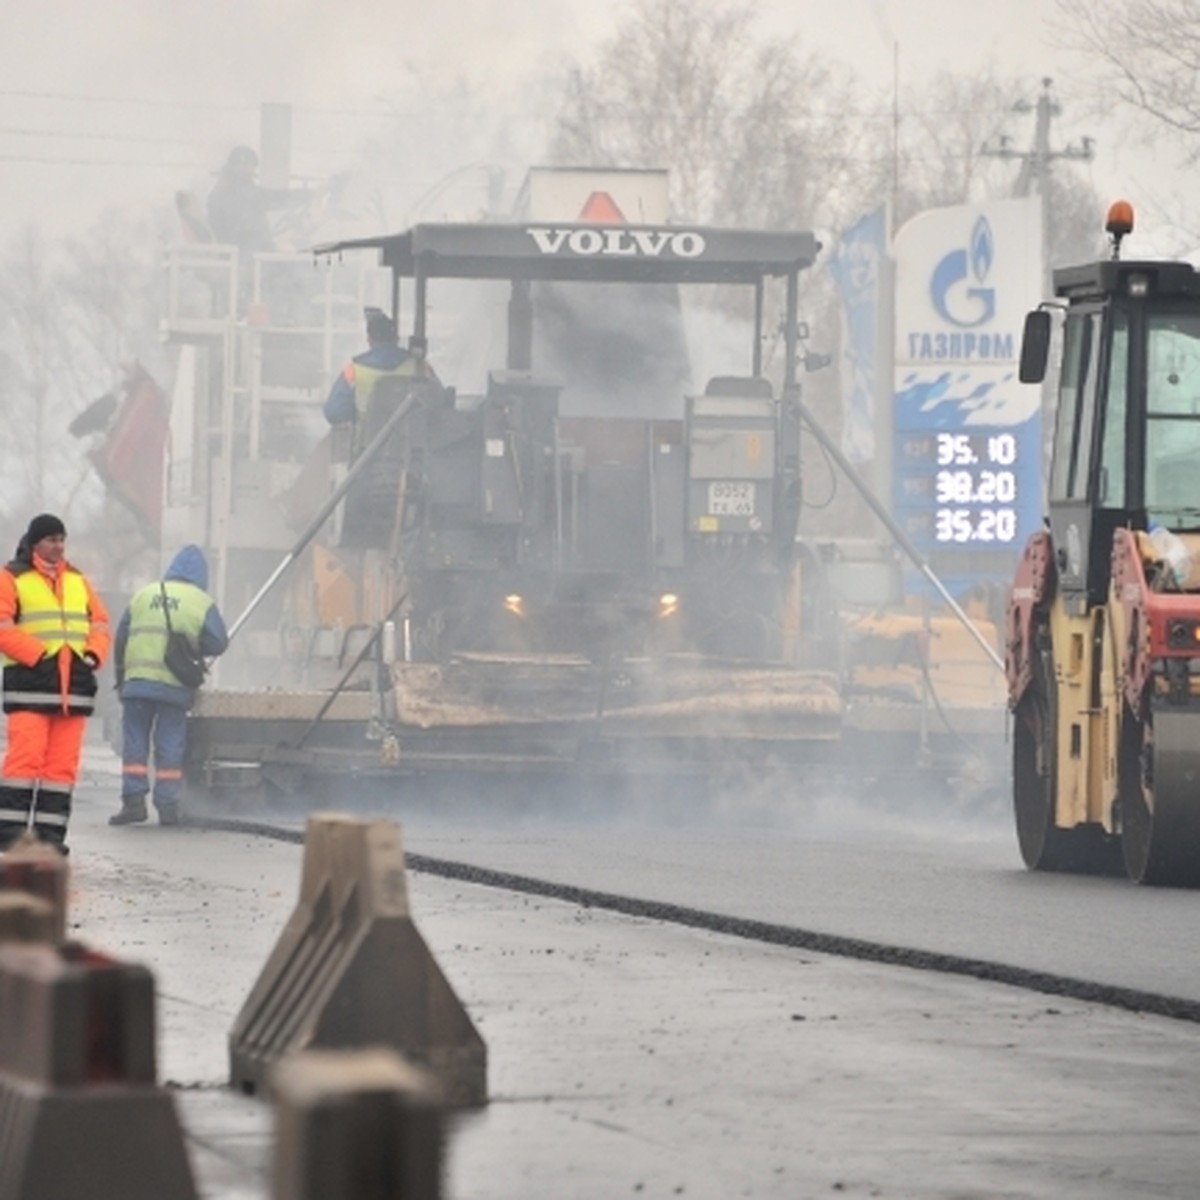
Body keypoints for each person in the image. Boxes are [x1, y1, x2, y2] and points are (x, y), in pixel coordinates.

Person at [0, 513, 110, 854]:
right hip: (30, 688)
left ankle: (49, 843)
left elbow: (101, 624)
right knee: (24, 763)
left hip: (72, 692)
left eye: (62, 539)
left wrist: (93, 656)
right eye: (51, 539)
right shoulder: (12, 577)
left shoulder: (78, 580)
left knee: (60, 772)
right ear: (35, 543)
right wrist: (40, 654)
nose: (58, 545)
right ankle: (12, 841)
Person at [109, 544, 229, 827]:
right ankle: (167, 807)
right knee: (170, 746)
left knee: (135, 743)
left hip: (137, 684)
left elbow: (121, 637)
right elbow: (219, 643)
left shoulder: (143, 594)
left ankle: (133, 803)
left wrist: (121, 677)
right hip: (174, 687)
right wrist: (194, 646)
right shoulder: (201, 601)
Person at [323, 307, 439, 439]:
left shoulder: (353, 371)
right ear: (396, 338)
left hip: (367, 450)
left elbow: (334, 412)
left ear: (369, 339)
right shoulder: (420, 367)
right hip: (414, 450)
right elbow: (440, 402)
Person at [206, 144, 310, 257]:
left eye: (250, 165)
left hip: (246, 250)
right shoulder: (234, 192)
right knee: (302, 261)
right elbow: (275, 198)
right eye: (243, 165)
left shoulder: (229, 188)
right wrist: (309, 195)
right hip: (245, 255)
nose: (248, 170)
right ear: (234, 166)